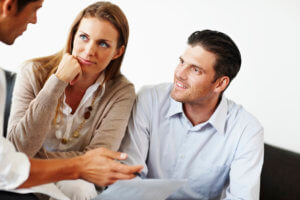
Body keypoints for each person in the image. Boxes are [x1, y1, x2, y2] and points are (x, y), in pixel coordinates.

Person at [0, 0, 142, 199]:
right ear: (73, 36)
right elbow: (19, 149)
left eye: (103, 44)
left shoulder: (121, 91)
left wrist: (41, 160)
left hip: (77, 179)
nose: (89, 50)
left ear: (117, 52)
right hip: (30, 174)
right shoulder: (32, 72)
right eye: (83, 37)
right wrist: (57, 82)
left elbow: (100, 158)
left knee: (80, 189)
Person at [120, 30, 264, 200]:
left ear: (220, 83)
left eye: (195, 69)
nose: (180, 74)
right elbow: (127, 175)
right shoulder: (149, 99)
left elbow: (242, 198)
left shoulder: (246, 130)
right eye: (181, 62)